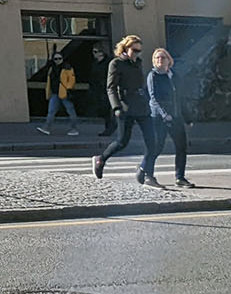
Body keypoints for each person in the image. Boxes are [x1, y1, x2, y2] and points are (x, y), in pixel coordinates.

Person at [92, 34, 153, 183]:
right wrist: (117, 107)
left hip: (141, 106)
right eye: (134, 50)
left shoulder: (138, 63)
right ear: (125, 48)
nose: (137, 53)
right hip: (126, 107)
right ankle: (101, 159)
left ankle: (145, 170)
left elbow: (141, 85)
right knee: (122, 142)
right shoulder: (116, 63)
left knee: (153, 141)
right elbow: (111, 88)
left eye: (139, 50)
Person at [146, 47, 194, 188]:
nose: (160, 60)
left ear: (169, 60)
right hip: (159, 118)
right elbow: (154, 98)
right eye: (157, 58)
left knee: (181, 147)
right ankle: (148, 174)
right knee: (157, 147)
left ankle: (180, 178)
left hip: (176, 116)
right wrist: (164, 114)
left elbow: (180, 98)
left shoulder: (174, 76)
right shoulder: (153, 76)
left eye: (162, 57)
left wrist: (187, 117)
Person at [38, 51, 81, 136]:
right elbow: (49, 80)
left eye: (59, 58)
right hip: (55, 92)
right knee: (51, 111)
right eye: (55, 59)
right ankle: (46, 128)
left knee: (70, 111)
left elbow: (71, 80)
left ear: (62, 59)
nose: (57, 60)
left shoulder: (67, 68)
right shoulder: (51, 68)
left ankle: (74, 129)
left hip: (64, 92)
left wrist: (68, 88)